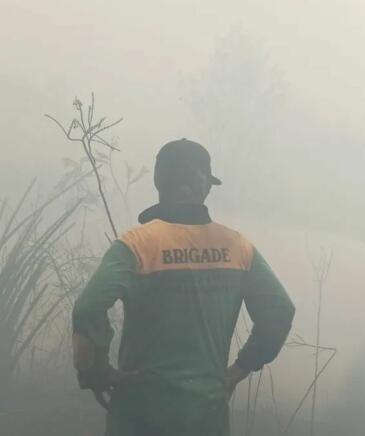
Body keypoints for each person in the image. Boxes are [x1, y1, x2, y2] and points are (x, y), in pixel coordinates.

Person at [71, 139, 295, 436]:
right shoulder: (237, 248)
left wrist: (96, 372)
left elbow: (88, 308)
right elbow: (280, 311)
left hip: (139, 415)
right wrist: (235, 373)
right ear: (199, 185)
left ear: (159, 182)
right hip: (206, 416)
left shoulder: (136, 244)